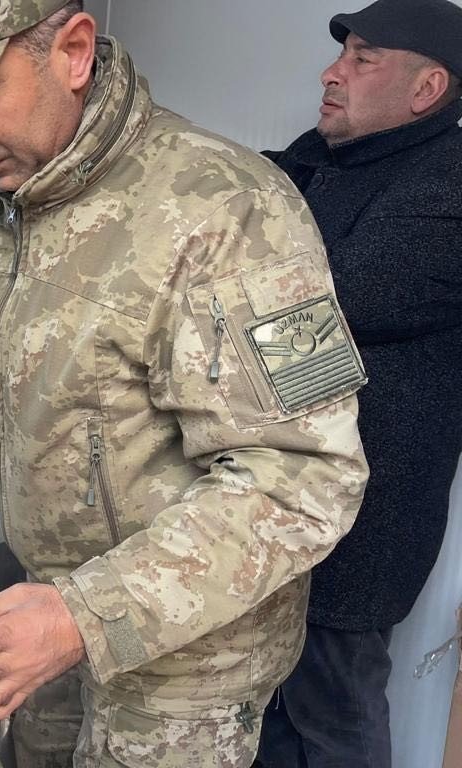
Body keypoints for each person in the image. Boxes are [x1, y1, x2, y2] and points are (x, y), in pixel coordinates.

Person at [0, 2, 369, 767]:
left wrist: (85, 614)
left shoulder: (234, 206)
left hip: (186, 667)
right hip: (45, 611)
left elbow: (306, 479)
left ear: (74, 52)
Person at [254, 1, 462, 766]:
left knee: (335, 721)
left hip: (361, 537)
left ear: (427, 87)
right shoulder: (318, 161)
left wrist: (222, 310)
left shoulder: (449, 188)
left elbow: (298, 336)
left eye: (364, 57)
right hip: (277, 511)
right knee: (273, 718)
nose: (331, 71)